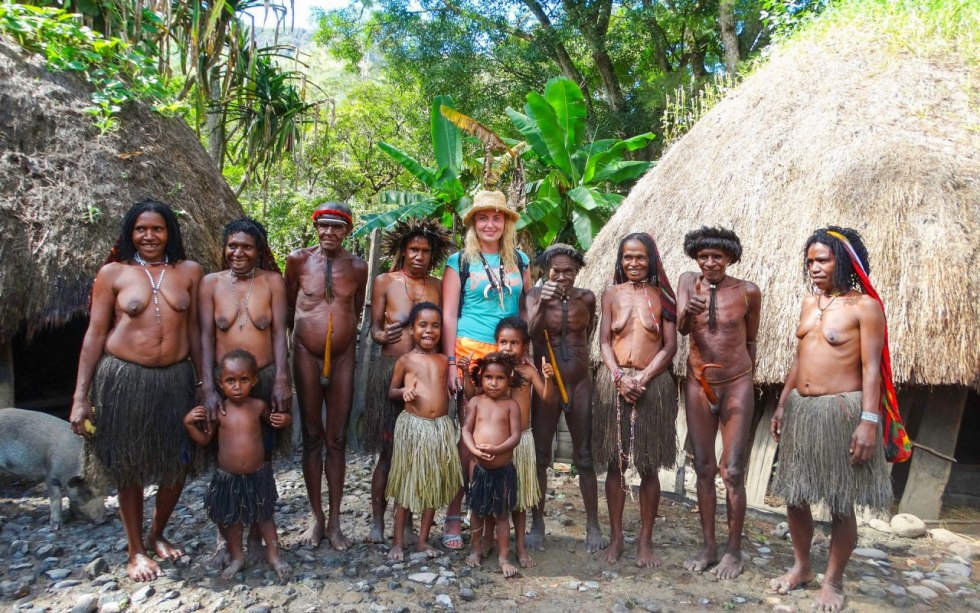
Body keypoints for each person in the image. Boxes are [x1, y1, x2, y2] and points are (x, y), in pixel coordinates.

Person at [70, 199, 204, 582]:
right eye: (141, 229)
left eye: (157, 228)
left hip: (176, 379)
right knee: (129, 467)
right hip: (123, 379)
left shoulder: (189, 272)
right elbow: (95, 335)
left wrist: (204, 383)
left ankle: (157, 531)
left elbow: (196, 332)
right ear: (131, 233)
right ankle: (135, 550)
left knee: (178, 464)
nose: (149, 236)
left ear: (169, 232)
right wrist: (81, 397)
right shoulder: (113, 273)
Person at [769, 226, 892, 612]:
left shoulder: (865, 308)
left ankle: (833, 581)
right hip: (803, 412)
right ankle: (802, 566)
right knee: (795, 496)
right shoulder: (809, 303)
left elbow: (872, 369)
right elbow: (799, 357)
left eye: (822, 260)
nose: (815, 268)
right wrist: (783, 402)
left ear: (844, 260)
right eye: (810, 261)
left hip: (842, 411)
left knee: (840, 501)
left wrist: (868, 421)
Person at [441, 189, 531, 549]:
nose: (489, 223)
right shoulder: (460, 261)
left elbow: (525, 311)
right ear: (473, 223)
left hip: (507, 355)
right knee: (470, 436)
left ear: (507, 222)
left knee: (503, 433)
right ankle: (455, 515)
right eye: (482, 217)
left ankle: (493, 517)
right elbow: (449, 313)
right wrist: (451, 362)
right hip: (470, 353)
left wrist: (525, 355)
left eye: (496, 217)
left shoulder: (520, 260)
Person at [199, 218, 291, 567]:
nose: (238, 252)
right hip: (224, 385)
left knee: (261, 457)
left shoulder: (272, 283)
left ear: (259, 250)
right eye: (232, 246)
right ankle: (226, 538)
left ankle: (258, 533)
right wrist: (208, 386)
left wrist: (282, 378)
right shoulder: (211, 284)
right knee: (223, 458)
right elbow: (206, 337)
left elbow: (281, 332)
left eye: (247, 247)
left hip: (264, 378)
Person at [676, 227, 762, 579]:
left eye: (717, 256)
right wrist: (687, 311)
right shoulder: (687, 282)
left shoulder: (748, 292)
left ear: (730, 258)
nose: (710, 262)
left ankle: (734, 551)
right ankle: (709, 545)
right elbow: (681, 328)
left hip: (736, 383)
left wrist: (741, 379)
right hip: (698, 383)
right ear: (696, 258)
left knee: (734, 470)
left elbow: (752, 339)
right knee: (704, 468)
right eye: (703, 256)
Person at [592, 232, 678, 568]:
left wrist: (641, 378)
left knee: (648, 464)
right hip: (614, 382)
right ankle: (616, 539)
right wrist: (617, 376)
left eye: (640, 257)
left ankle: (645, 542)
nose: (634, 263)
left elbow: (669, 347)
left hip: (651, 384)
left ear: (652, 259)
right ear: (620, 259)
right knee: (615, 463)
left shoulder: (663, 297)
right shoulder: (611, 294)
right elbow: (603, 342)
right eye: (628, 257)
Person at [285, 202, 367, 550]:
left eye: (337, 227)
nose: (329, 233)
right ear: (315, 228)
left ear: (347, 230)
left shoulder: (358, 267)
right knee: (312, 435)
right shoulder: (298, 260)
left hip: (345, 356)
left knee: (336, 439)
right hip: (305, 354)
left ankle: (335, 521)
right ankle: (316, 518)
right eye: (324, 226)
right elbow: (289, 307)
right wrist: (301, 342)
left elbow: (357, 308)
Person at [365, 219, 452, 544]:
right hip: (391, 370)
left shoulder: (439, 285)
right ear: (403, 250)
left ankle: (411, 521)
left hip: (427, 378)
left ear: (433, 254)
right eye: (413, 249)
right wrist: (380, 334)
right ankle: (378, 520)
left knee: (420, 452)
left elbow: (442, 332)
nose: (419, 256)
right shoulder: (385, 281)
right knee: (390, 452)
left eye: (425, 251)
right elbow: (373, 328)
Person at [183, 350, 292, 579]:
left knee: (265, 516)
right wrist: (189, 424)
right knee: (230, 520)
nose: (237, 387)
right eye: (230, 381)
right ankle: (237, 556)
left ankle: (274, 556)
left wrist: (285, 420)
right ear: (220, 383)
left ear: (254, 381)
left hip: (257, 474)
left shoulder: (259, 406)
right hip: (227, 477)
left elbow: (275, 422)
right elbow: (204, 441)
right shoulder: (219, 411)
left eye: (243, 380)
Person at [525, 243, 604, 552]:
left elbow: (589, 334)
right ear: (546, 271)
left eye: (568, 271)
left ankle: (593, 525)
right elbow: (531, 333)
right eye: (555, 271)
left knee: (584, 457)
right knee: (541, 455)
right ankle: (537, 523)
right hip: (547, 385)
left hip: (580, 383)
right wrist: (543, 304)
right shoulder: (533, 297)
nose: (561, 277)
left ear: (577, 272)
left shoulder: (587, 298)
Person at [459, 317, 553, 568]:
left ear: (525, 345)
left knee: (518, 499)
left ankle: (520, 547)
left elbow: (546, 396)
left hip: (520, 442)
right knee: (490, 499)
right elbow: (473, 397)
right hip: (491, 451)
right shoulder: (492, 371)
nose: (508, 347)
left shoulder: (527, 370)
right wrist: (465, 374)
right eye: (503, 342)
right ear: (495, 343)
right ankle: (486, 541)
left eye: (514, 342)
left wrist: (549, 378)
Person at [385, 302, 463, 561]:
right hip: (413, 429)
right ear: (411, 329)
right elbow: (391, 391)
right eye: (423, 325)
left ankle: (422, 541)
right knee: (406, 485)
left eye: (436, 325)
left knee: (433, 486)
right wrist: (403, 392)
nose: (429, 331)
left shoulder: (444, 361)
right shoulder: (405, 360)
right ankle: (397, 542)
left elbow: (452, 389)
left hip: (439, 430)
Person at [460, 352, 524, 577]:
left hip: (503, 469)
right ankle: (475, 549)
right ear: (481, 377)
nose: (493, 383)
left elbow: (516, 436)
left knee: (502, 513)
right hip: (478, 467)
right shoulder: (476, 402)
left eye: (499, 378)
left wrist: (499, 450)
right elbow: (466, 430)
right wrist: (474, 450)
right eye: (488, 377)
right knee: (477, 510)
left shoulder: (511, 405)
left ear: (509, 379)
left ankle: (503, 556)